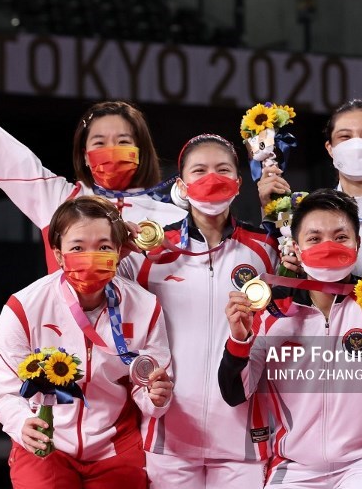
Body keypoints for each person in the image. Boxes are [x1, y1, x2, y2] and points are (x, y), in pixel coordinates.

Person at [0, 43, 187, 272]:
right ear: (84, 156)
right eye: (99, 142)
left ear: (141, 152)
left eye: (123, 141)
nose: (111, 149)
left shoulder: (177, 218)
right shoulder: (57, 199)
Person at [218, 188, 362, 488]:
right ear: (296, 249)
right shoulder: (271, 313)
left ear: (358, 243)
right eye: (314, 238)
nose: (328, 247)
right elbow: (235, 394)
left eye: (340, 237)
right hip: (294, 466)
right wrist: (239, 340)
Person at [118, 134, 279, 489]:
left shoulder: (266, 249)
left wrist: (278, 210)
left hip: (242, 436)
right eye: (200, 170)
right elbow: (105, 296)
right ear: (181, 185)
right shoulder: (150, 252)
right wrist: (118, 243)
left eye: (223, 170)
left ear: (238, 183)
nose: (212, 178)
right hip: (171, 435)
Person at [0, 195, 174, 489]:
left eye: (103, 247)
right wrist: (22, 422)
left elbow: (149, 388)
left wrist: (156, 398)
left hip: (116, 447)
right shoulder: (24, 308)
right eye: (77, 248)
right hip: (44, 441)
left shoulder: (145, 306)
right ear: (59, 254)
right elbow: (6, 392)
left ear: (118, 251)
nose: (91, 256)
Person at [257, 98, 362, 276]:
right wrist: (268, 207)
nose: (356, 146)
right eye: (345, 137)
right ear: (330, 149)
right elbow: (277, 253)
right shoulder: (305, 209)